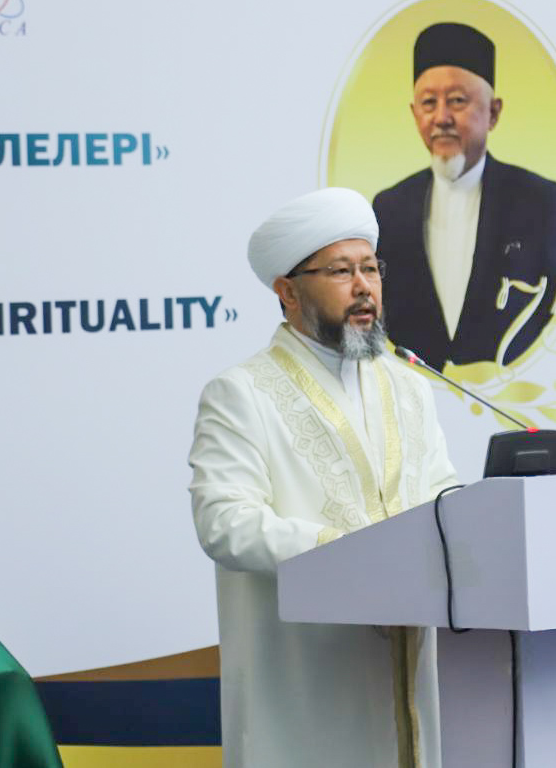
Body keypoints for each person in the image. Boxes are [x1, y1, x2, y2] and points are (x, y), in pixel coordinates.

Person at [188, 187, 460, 768]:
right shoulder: (241, 393)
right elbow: (224, 523)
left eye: (371, 268)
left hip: (407, 668)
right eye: (340, 271)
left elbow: (443, 498)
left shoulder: (409, 387)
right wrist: (347, 554)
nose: (364, 287)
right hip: (303, 688)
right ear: (287, 291)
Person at [373, 21, 556, 372]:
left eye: (457, 101)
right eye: (428, 103)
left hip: (514, 388)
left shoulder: (539, 202)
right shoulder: (388, 208)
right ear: (414, 114)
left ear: (493, 113)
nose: (441, 118)